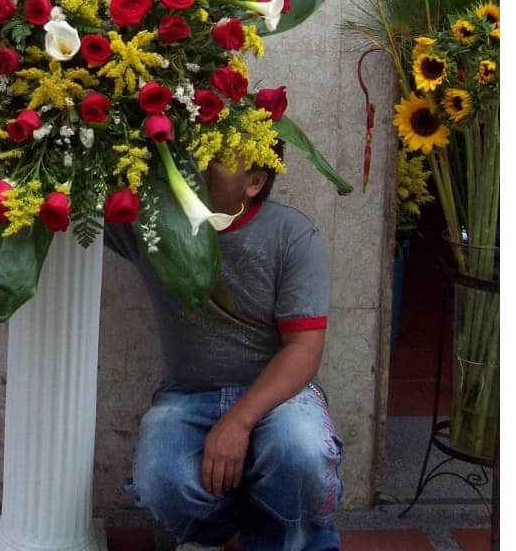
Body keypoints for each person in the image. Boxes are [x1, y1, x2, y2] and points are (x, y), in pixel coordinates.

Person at [104, 153, 344, 550]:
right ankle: (212, 533)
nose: (198, 160)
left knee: (300, 452)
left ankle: (294, 536)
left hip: (281, 399)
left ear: (253, 183)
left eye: (217, 156)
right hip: (188, 395)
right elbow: (84, 198)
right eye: (197, 147)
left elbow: (304, 349)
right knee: (160, 477)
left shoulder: (291, 234)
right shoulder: (155, 224)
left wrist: (238, 421)